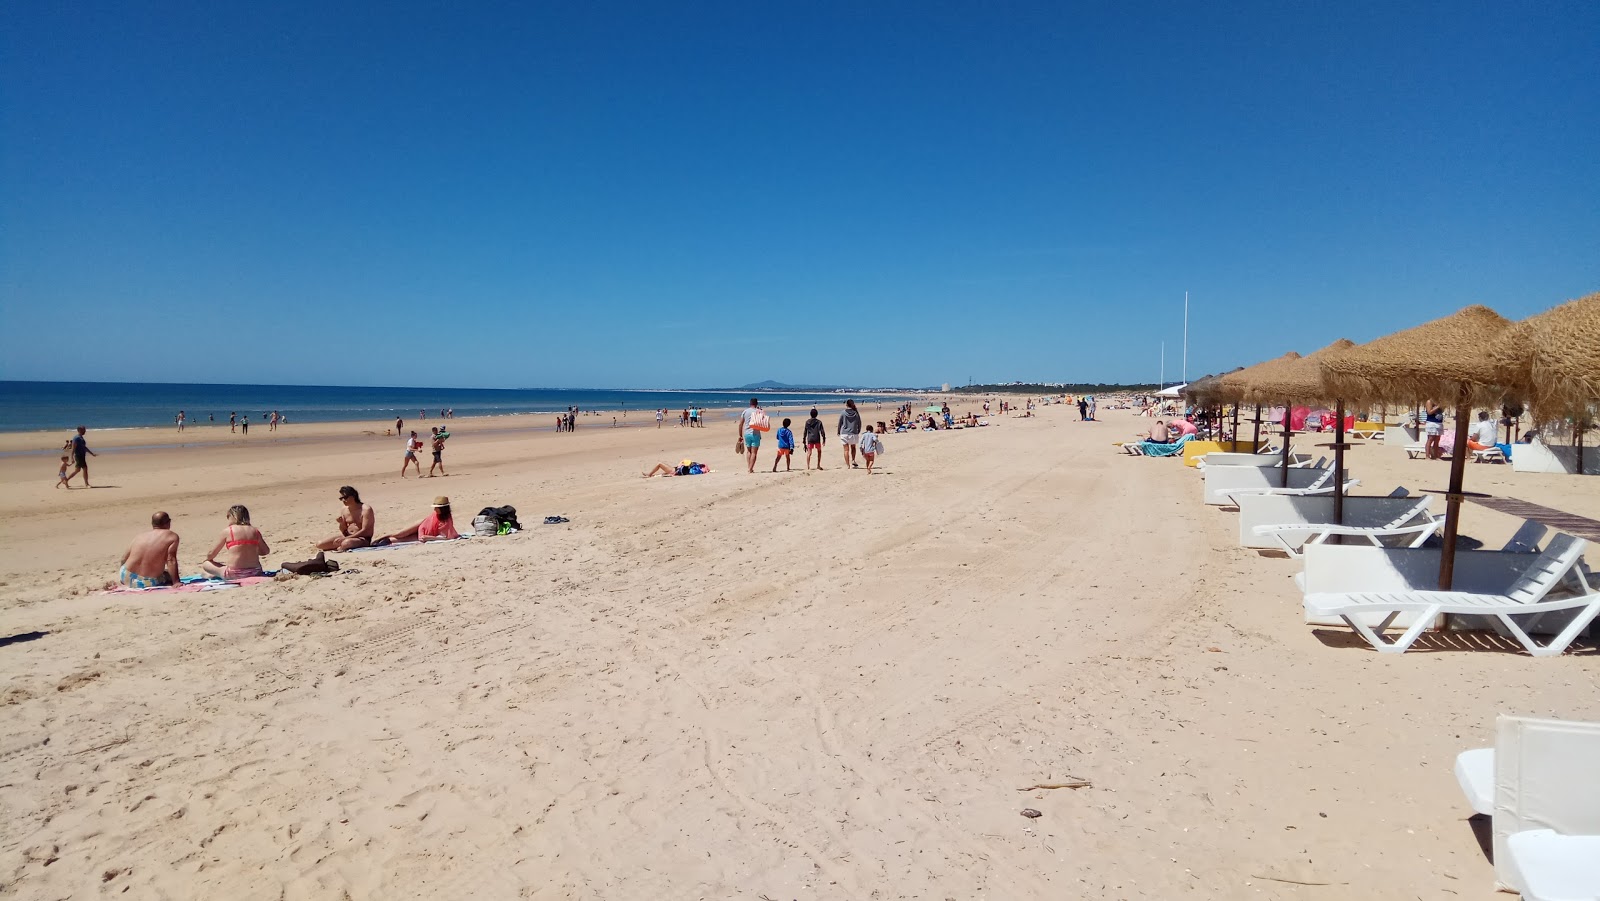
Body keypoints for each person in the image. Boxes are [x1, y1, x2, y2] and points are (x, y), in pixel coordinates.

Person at [201, 505, 270, 579]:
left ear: (233, 516)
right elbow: (265, 551)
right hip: (256, 572)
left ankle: (212, 575)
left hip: (234, 574)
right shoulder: (255, 531)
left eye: (228, 517)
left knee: (206, 563)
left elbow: (211, 554)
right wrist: (251, 549)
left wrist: (208, 558)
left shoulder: (228, 531)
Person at [119, 511, 181, 588]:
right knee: (167, 576)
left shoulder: (140, 536)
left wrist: (122, 577)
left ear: (152, 523)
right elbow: (171, 560)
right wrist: (176, 582)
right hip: (144, 582)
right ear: (169, 522)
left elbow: (123, 558)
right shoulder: (172, 537)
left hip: (125, 576)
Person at [374, 496, 461, 544]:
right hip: (422, 524)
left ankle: (381, 542)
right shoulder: (439, 514)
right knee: (400, 534)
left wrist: (431, 538)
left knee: (398, 540)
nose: (435, 510)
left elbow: (448, 537)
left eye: (437, 508)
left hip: (426, 532)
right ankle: (379, 538)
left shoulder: (446, 519)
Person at [318, 486, 375, 551]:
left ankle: (342, 547)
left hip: (362, 539)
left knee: (346, 543)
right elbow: (344, 530)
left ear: (353, 496)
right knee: (320, 544)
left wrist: (346, 538)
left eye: (345, 497)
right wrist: (341, 524)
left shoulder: (366, 509)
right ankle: (341, 546)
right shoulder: (344, 509)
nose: (343, 500)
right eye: (341, 498)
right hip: (347, 536)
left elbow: (366, 530)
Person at [737, 397, 766, 473]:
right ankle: (750, 468)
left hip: (746, 433)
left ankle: (749, 467)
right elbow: (764, 422)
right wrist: (761, 411)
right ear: (757, 404)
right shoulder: (758, 411)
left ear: (750, 403)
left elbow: (740, 424)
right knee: (754, 452)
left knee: (748, 451)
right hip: (755, 433)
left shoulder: (745, 411)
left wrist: (740, 435)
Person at [838, 399, 863, 469]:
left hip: (844, 433)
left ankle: (848, 465)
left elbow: (840, 422)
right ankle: (853, 460)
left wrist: (838, 431)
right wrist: (859, 430)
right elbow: (859, 422)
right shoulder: (856, 412)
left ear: (846, 405)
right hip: (853, 432)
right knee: (853, 447)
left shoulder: (843, 412)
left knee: (846, 450)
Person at [644, 461, 710, 477]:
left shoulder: (693, 467)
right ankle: (652, 474)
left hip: (674, 470)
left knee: (660, 464)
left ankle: (649, 474)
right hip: (675, 470)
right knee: (664, 472)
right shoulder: (695, 468)